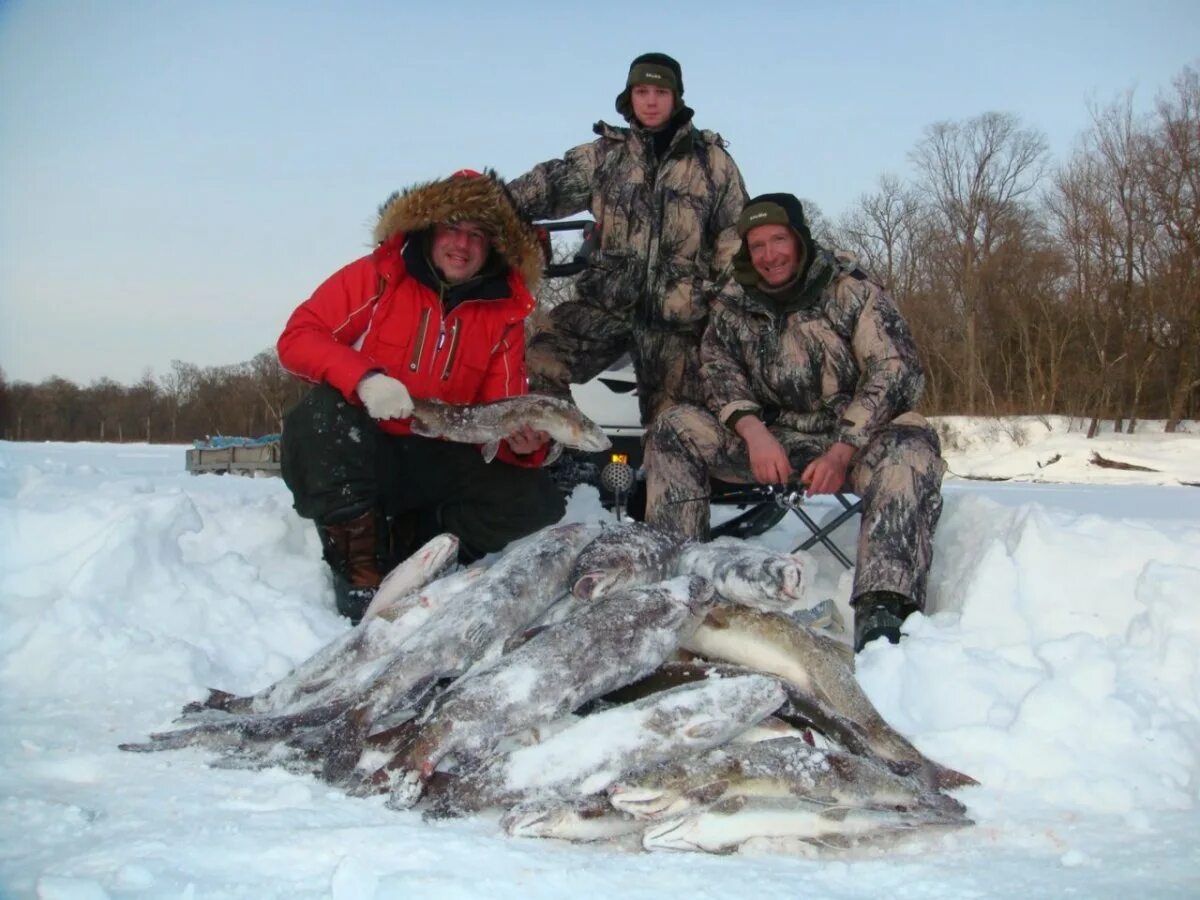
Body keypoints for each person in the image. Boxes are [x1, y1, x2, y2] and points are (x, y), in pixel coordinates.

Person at [643, 192, 947, 653]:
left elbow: (895, 369)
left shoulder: (851, 289)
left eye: (779, 239)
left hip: (851, 439)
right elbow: (717, 372)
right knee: (673, 425)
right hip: (771, 442)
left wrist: (843, 447)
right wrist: (754, 432)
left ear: (800, 239)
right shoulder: (731, 300)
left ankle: (884, 604)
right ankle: (679, 585)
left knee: (913, 442)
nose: (769, 255)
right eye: (757, 244)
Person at [277, 169, 566, 623]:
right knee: (319, 417)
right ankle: (361, 567)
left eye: (478, 235)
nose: (462, 245)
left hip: (437, 456)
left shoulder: (504, 315)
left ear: (494, 246)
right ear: (430, 230)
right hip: (367, 448)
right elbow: (297, 339)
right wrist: (365, 380)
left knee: (538, 501)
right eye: (452, 228)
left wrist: (524, 447)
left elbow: (500, 413)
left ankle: (428, 546)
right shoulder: (378, 274)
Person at [506, 52, 748, 428]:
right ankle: (556, 452)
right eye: (642, 91)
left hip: (678, 322)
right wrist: (474, 207)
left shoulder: (713, 163)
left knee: (675, 427)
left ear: (676, 97)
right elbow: (542, 189)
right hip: (606, 307)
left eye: (661, 92)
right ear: (630, 97)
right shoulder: (605, 156)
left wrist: (717, 314)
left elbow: (733, 244)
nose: (651, 101)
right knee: (538, 359)